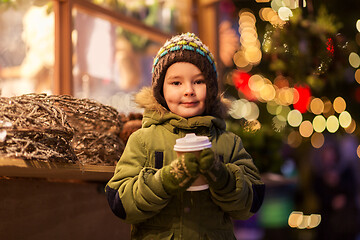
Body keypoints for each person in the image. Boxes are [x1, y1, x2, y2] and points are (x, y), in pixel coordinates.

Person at [105, 32, 265, 239]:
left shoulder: (228, 142)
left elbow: (252, 201)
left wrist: (220, 175)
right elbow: (120, 202)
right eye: (176, 83)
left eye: (198, 81)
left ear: (211, 87)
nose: (189, 90)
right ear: (160, 90)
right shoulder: (143, 140)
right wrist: (165, 180)